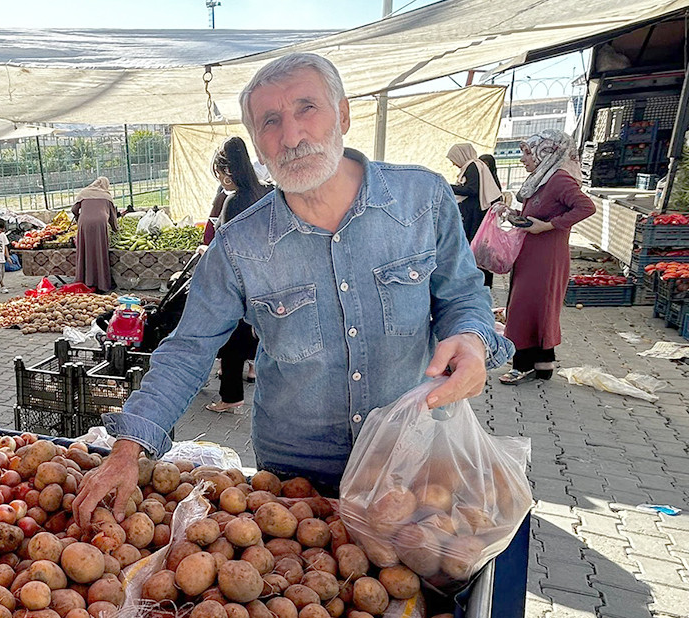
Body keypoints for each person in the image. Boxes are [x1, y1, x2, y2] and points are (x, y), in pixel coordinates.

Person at [71, 53, 511, 523]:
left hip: (412, 457)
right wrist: (128, 448)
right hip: (295, 479)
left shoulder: (422, 200)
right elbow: (188, 349)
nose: (292, 136)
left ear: (342, 114)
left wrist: (470, 338)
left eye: (307, 109)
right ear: (258, 144)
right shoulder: (240, 244)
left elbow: (462, 294)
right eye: (270, 122)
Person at [500, 131, 595, 385]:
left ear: (547, 152)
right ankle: (543, 367)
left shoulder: (560, 180)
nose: (522, 159)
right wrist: (510, 213)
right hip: (531, 254)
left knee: (526, 308)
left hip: (546, 257)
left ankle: (522, 366)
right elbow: (533, 216)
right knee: (536, 309)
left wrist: (550, 226)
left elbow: (586, 207)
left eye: (528, 152)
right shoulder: (542, 179)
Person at [205, 137, 273, 413]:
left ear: (229, 171)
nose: (220, 180)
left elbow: (226, 248)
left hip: (240, 284)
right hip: (266, 280)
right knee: (258, 336)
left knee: (232, 341)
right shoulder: (266, 192)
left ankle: (230, 398)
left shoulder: (233, 202)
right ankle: (258, 387)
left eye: (220, 173)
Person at [447, 143, 504, 287]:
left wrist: (450, 187)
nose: (454, 163)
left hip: (475, 217)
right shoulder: (473, 166)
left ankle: (479, 283)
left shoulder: (472, 166)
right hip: (475, 215)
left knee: (476, 249)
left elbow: (472, 189)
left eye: (454, 159)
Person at [71, 177, 118, 292]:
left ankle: (85, 281)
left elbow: (74, 209)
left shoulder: (84, 193)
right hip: (100, 224)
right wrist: (115, 229)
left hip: (84, 223)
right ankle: (101, 283)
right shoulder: (107, 196)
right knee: (99, 251)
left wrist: (78, 217)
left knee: (85, 250)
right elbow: (112, 216)